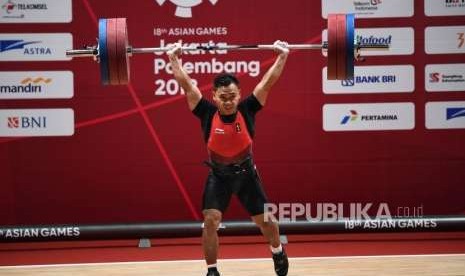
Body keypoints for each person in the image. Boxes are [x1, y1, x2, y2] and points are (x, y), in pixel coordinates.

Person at [167, 40, 289, 276]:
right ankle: (212, 271)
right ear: (213, 96)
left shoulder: (248, 108)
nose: (228, 101)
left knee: (267, 222)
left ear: (239, 94)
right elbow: (185, 84)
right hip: (219, 176)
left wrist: (282, 56)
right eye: (223, 97)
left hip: (246, 175)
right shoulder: (206, 112)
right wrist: (174, 58)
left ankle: (277, 250)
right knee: (210, 221)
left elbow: (268, 82)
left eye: (232, 96)